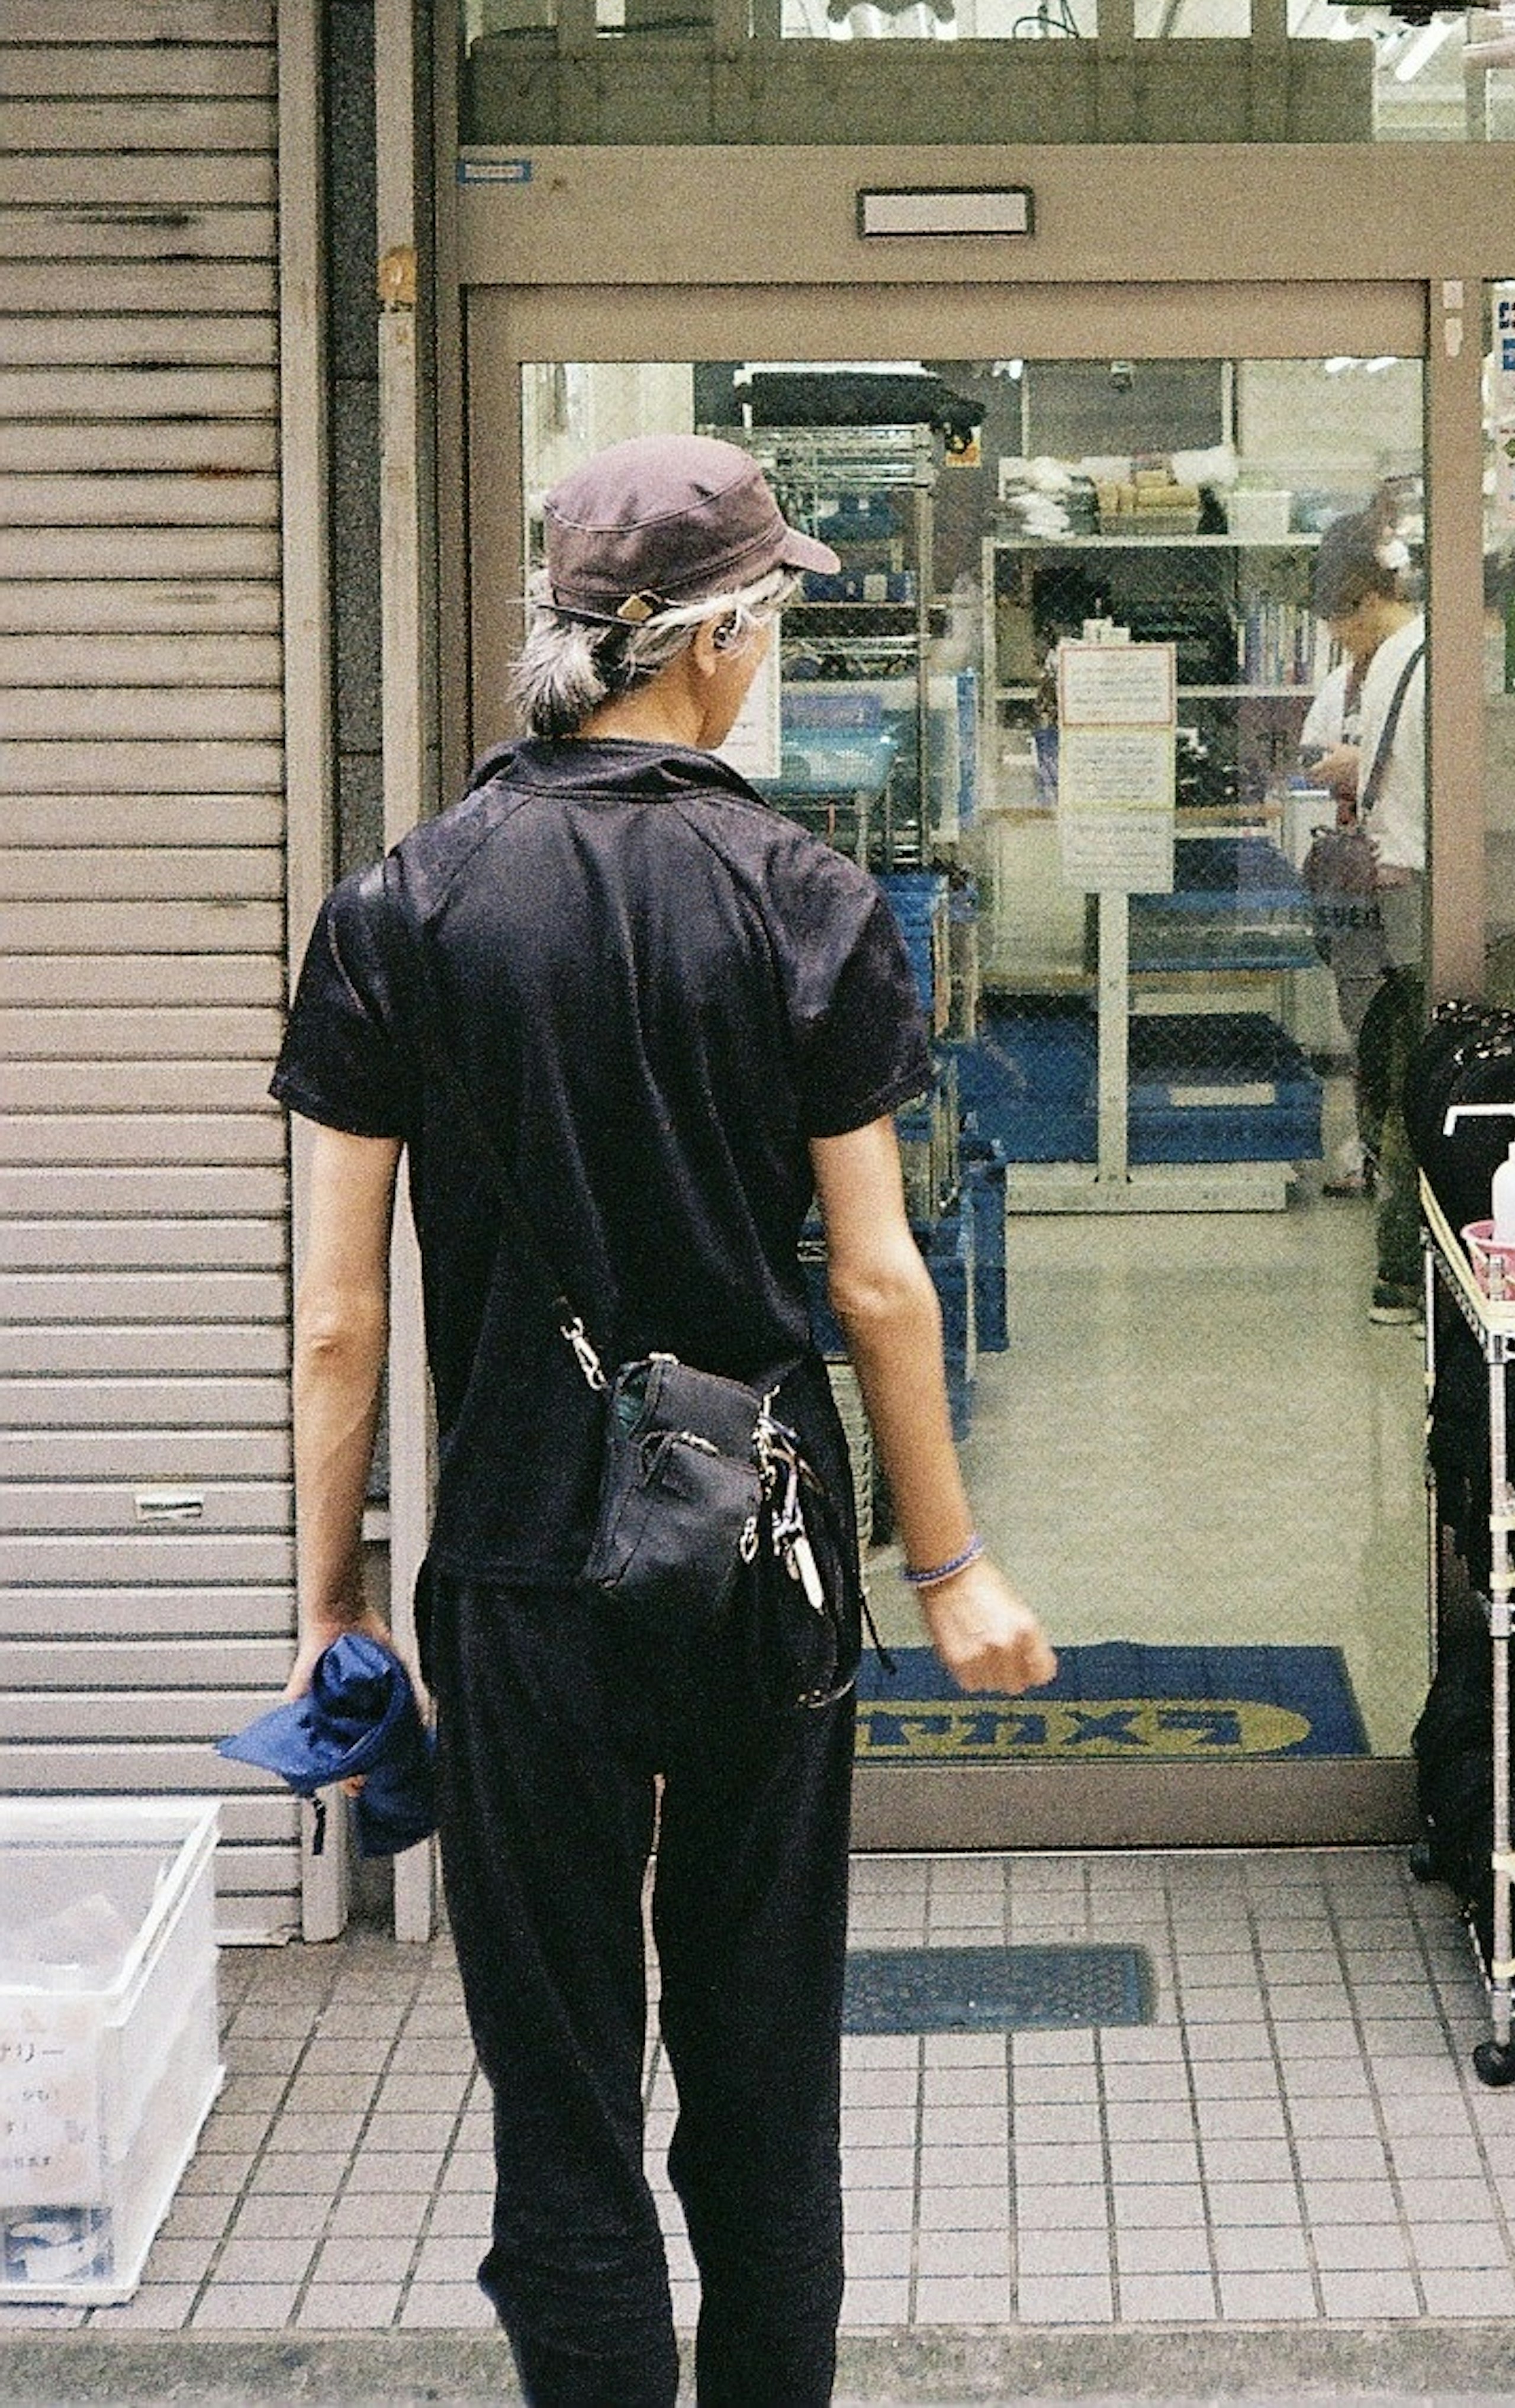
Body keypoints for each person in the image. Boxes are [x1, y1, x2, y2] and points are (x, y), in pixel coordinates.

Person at [271, 433, 1054, 2408]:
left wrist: (330, 1594)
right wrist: (950, 1562)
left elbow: (340, 1318)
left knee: (562, 2102)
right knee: (761, 2067)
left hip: (524, 1576)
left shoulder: (401, 906)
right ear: (708, 643)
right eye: (770, 612)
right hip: (758, 1565)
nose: (771, 648)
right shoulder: (803, 896)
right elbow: (877, 1281)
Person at [1302, 508, 1427, 1326]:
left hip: (1393, 888)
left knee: (1390, 1077)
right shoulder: (1411, 662)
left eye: (1338, 626)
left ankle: (1399, 1269)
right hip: (1415, 892)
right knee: (1411, 1079)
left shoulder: (1391, 666)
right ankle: (1402, 1270)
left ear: (1361, 602)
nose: (1340, 643)